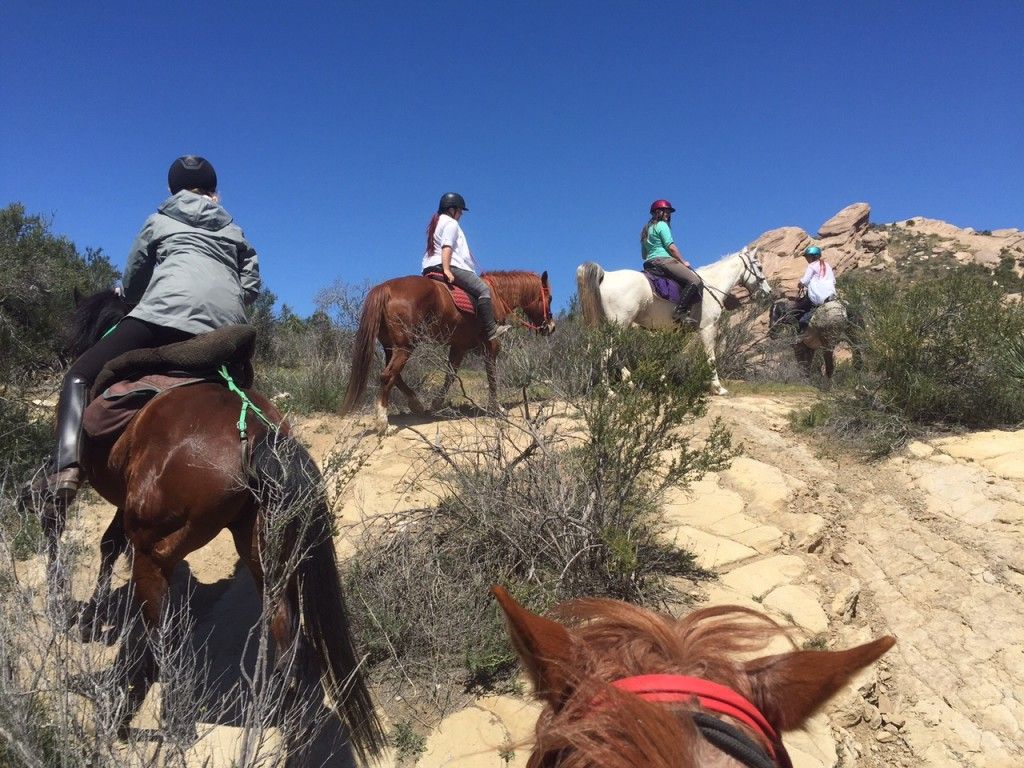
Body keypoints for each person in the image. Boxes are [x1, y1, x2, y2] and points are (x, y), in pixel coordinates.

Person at [28, 155, 261, 509]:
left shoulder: (159, 219)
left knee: (78, 375)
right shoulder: (234, 229)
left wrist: (144, 299)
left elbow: (135, 278)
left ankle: (66, 468)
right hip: (228, 325)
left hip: (162, 316)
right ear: (215, 192)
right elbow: (252, 285)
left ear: (172, 190)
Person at [422, 192, 509, 341]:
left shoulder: (436, 223)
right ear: (451, 209)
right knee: (483, 289)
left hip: (428, 266)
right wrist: (447, 269)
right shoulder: (451, 223)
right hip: (447, 264)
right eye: (459, 210)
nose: (461, 214)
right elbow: (447, 246)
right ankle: (491, 329)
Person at [640, 199, 702, 323]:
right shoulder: (662, 225)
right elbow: (671, 248)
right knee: (695, 280)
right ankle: (680, 313)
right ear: (658, 212)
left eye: (669, 212)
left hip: (649, 264)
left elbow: (644, 254)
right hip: (664, 261)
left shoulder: (645, 231)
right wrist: (683, 262)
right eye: (666, 211)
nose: (668, 214)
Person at [793, 245, 836, 330]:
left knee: (800, 317)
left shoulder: (812, 265)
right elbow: (834, 281)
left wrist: (800, 284)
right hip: (831, 294)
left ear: (812, 257)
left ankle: (801, 334)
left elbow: (805, 281)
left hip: (817, 297)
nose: (806, 259)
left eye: (807, 257)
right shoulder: (827, 265)